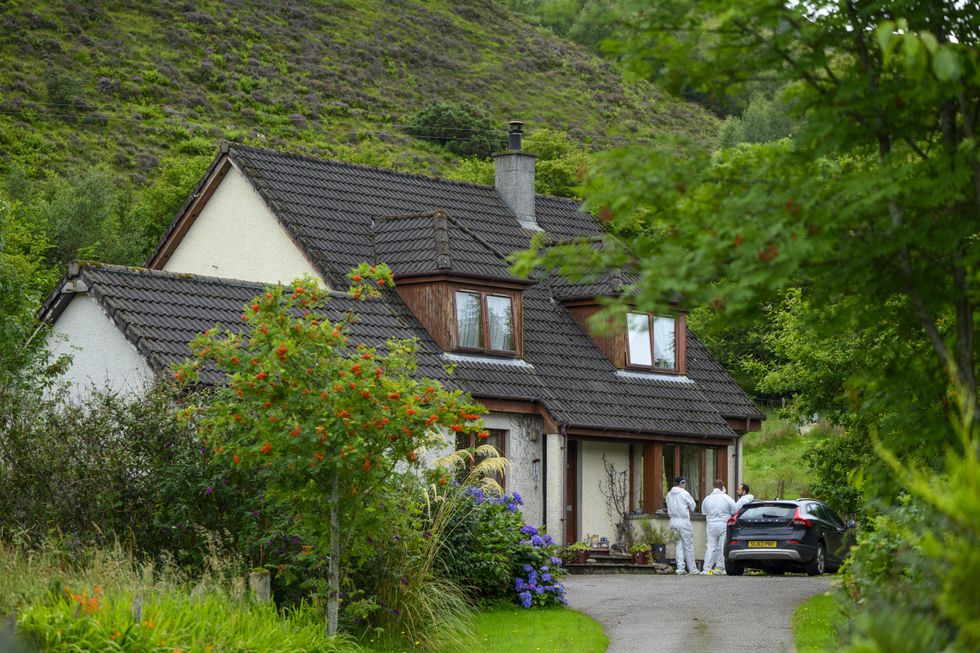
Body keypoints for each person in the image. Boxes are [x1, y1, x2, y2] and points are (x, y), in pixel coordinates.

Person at [701, 479, 736, 575]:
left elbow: (703, 512)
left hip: (711, 525)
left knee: (710, 547)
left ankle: (706, 569)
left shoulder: (707, 499)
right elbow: (734, 510)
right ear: (722, 487)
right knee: (722, 547)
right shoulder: (727, 498)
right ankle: (722, 568)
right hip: (723, 524)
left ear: (713, 486)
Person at [666, 476, 699, 574]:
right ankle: (692, 569)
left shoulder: (669, 494)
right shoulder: (684, 493)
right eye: (684, 483)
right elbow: (693, 506)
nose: (685, 485)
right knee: (688, 545)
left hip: (673, 521)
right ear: (681, 483)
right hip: (683, 521)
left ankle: (680, 568)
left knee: (678, 545)